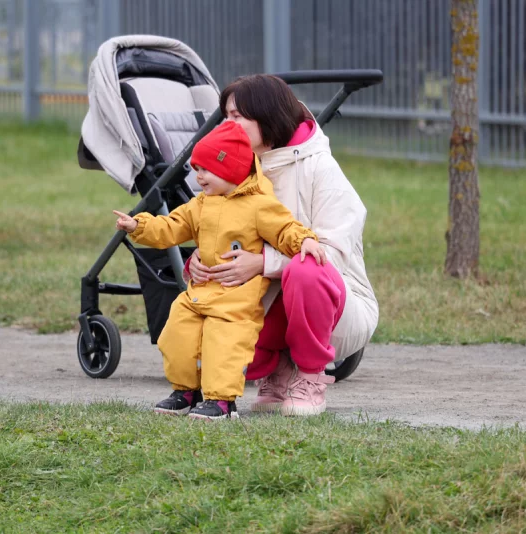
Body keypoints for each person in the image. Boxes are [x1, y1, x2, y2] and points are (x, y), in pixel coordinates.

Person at [185, 74, 379, 416]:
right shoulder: (233, 171)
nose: (226, 125)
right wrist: (198, 260)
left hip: (339, 306)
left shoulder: (320, 168)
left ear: (267, 115)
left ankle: (310, 376)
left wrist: (262, 263)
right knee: (204, 337)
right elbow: (212, 228)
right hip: (265, 301)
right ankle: (277, 371)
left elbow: (329, 257)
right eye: (225, 116)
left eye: (236, 116)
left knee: (306, 268)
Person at [113, 121, 326, 420]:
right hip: (199, 293)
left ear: (232, 169)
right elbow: (172, 226)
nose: (199, 176)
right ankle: (186, 391)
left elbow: (284, 228)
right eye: (197, 169)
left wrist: (304, 240)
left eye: (206, 170)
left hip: (235, 299)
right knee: (177, 335)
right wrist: (139, 225)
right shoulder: (201, 204)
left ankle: (222, 401)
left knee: (223, 345)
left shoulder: (259, 205)